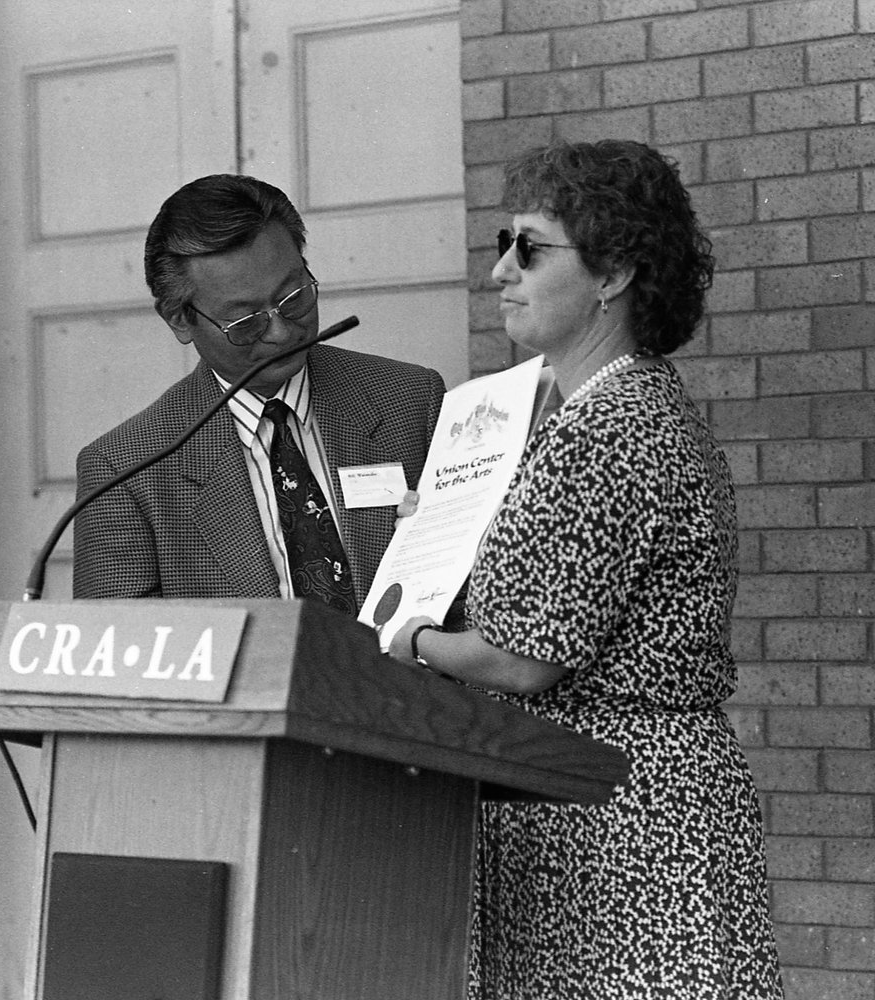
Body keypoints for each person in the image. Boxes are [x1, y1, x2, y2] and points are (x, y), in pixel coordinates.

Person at [389, 140, 784, 998]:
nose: (500, 270)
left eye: (530, 248)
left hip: (617, 819)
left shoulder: (606, 428)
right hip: (610, 804)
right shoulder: (609, 412)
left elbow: (519, 659)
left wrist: (410, 634)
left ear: (613, 274)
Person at [73, 174, 445, 605]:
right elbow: (123, 653)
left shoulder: (411, 400)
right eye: (246, 322)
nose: (282, 332)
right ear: (179, 319)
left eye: (294, 298)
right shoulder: (125, 471)